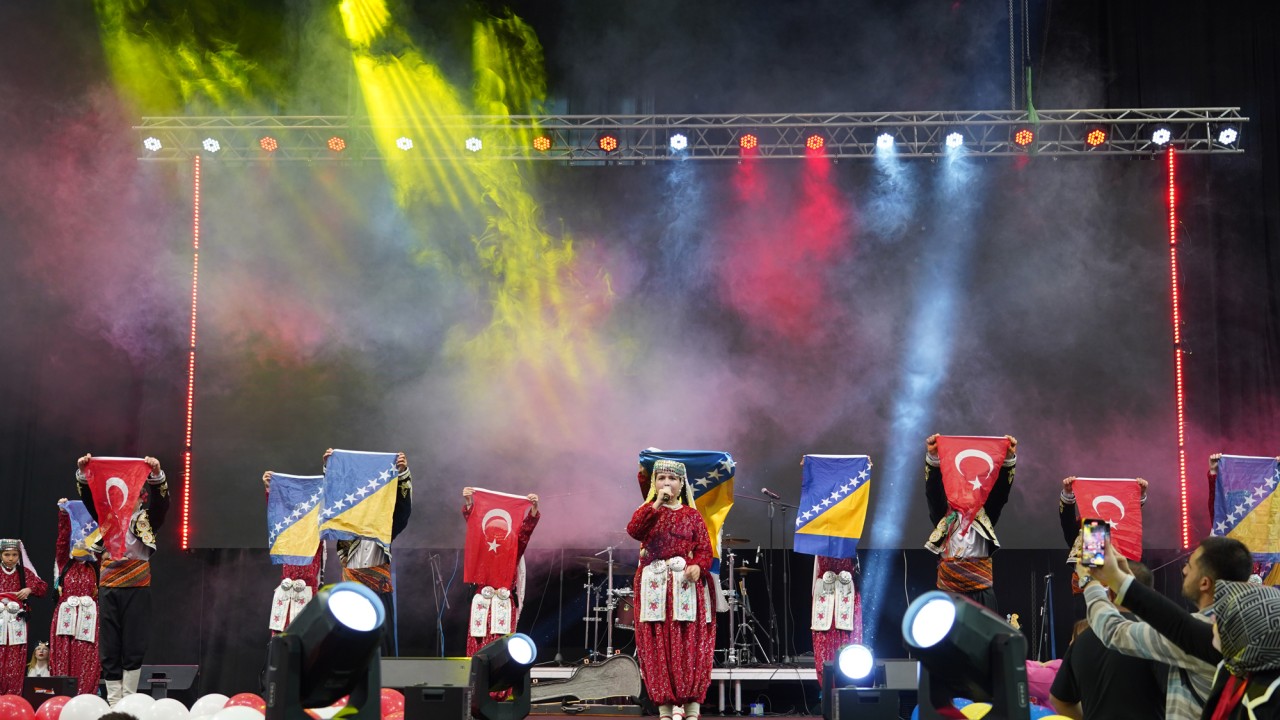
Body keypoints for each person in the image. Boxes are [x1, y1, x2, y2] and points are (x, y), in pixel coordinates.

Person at [1080, 536, 1252, 720]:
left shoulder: (1207, 634)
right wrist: (1126, 579)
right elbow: (1164, 625)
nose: (1184, 570)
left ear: (1205, 583)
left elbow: (1114, 632)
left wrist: (1090, 582)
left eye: (1190, 565)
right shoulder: (1242, 626)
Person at [75, 453, 169, 706]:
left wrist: (156, 475)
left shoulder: (146, 520)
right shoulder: (107, 519)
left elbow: (162, 505)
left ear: (140, 498)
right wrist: (84, 473)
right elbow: (89, 499)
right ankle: (114, 701)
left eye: (135, 495)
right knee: (109, 643)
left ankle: (129, 699)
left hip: (137, 586)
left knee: (134, 641)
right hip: (109, 586)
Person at [627, 459, 715, 720]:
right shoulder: (647, 511)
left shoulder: (692, 515)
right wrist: (655, 503)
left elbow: (704, 550)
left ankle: (691, 708)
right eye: (662, 478)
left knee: (688, 641)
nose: (667, 483)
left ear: (681, 484)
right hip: (654, 583)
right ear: (654, 483)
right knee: (656, 641)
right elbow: (634, 531)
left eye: (672, 479)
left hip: (684, 585)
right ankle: (665, 709)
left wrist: (699, 566)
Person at [1049, 561, 1165, 720]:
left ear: (1110, 593)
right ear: (1151, 593)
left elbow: (1059, 700)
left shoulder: (1081, 641)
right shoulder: (1156, 638)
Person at [325, 449, 412, 657]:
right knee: (348, 646)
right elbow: (331, 500)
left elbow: (403, 511)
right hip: (350, 593)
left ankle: (383, 686)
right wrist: (330, 467)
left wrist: (402, 474)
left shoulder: (385, 528)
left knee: (379, 646)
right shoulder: (344, 524)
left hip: (378, 591)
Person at [923, 433, 1017, 611]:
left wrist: (1009, 458)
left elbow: (1001, 494)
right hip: (949, 591)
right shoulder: (944, 515)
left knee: (987, 637)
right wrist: (933, 457)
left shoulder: (984, 514)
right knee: (948, 638)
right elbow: (932, 492)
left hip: (981, 591)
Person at [461, 487, 540, 657]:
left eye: (501, 531)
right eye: (492, 531)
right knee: (477, 645)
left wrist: (532, 510)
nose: (496, 535)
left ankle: (502, 684)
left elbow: (525, 532)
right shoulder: (480, 547)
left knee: (502, 650)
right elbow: (474, 526)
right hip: (482, 602)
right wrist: (469, 503)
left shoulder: (514, 550)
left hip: (503, 603)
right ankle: (476, 683)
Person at [1200, 579, 1280, 719]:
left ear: (1245, 633)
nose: (1213, 619)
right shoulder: (1232, 668)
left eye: (1225, 617)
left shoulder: (1271, 701)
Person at [262, 472, 324, 635]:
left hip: (308, 594)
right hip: (285, 595)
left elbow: (324, 513)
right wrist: (270, 488)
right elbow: (276, 513)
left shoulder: (315, 533)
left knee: (307, 640)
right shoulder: (286, 532)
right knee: (280, 642)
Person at [51, 499, 102, 695]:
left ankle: (86, 694)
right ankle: (61, 695)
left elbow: (102, 538)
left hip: (89, 619)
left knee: (88, 656)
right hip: (65, 619)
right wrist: (64, 514)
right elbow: (62, 540)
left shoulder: (95, 566)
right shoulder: (65, 563)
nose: (81, 544)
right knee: (64, 654)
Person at [0, 538, 48, 695]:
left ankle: (13, 696)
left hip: (17, 623)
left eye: (14, 554)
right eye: (7, 554)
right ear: (1, 555)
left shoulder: (23, 573)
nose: (11, 558)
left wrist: (29, 589)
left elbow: (43, 588)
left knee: (15, 659)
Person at [810, 555, 861, 686]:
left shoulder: (846, 539)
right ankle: (828, 688)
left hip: (845, 593)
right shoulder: (823, 542)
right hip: (826, 594)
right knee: (826, 641)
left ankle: (843, 687)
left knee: (847, 640)